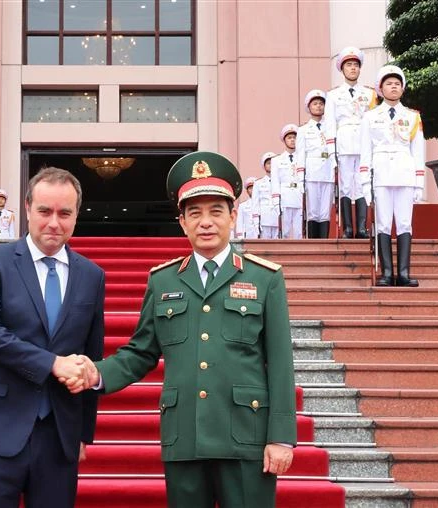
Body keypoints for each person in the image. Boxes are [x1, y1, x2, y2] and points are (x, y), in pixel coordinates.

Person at [67, 151, 297, 508]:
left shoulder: (264, 278)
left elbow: (280, 363)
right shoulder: (163, 281)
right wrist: (96, 373)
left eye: (216, 211)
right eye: (195, 213)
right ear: (182, 222)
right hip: (184, 436)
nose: (206, 222)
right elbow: (141, 352)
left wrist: (281, 437)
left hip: (247, 439)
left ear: (233, 216)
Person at [0, 167, 105, 508]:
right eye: (45, 211)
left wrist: (82, 434)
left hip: (59, 435)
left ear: (76, 215)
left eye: (65, 213)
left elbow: (90, 357)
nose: (54, 223)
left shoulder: (91, 276)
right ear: (27, 208)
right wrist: (51, 364)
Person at [359, 65, 424, 287]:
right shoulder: (370, 117)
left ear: (402, 89)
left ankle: (404, 273)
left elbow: (418, 152)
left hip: (405, 175)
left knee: (405, 224)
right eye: (389, 83)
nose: (393, 87)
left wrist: (419, 184)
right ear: (380, 89)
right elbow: (365, 152)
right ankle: (387, 272)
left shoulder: (413, 117)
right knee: (383, 224)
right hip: (380, 175)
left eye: (397, 84)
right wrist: (365, 184)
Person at [324, 46, 378, 239]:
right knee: (346, 186)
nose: (353, 68)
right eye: (349, 65)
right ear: (342, 69)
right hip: (344, 143)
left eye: (356, 65)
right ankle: (348, 228)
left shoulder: (370, 94)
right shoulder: (333, 95)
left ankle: (362, 227)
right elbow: (330, 124)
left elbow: (374, 122)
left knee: (363, 184)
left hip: (364, 143)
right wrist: (332, 152)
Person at [295, 89, 335, 238]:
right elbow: (300, 154)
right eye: (315, 104)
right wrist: (300, 177)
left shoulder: (331, 127)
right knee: (312, 211)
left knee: (325, 210)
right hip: (311, 172)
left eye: (321, 104)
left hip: (328, 170)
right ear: (309, 107)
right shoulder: (303, 130)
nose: (318, 106)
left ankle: (324, 241)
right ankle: (313, 240)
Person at [271, 124, 304, 239]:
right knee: (285, 231)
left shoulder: (302, 157)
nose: (292, 140)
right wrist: (276, 200)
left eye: (294, 137)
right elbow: (275, 181)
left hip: (298, 195)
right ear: (284, 140)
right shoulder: (277, 160)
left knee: (299, 231)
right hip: (285, 197)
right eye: (289, 138)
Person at [251, 152, 279, 240]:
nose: (271, 165)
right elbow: (255, 203)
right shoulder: (258, 183)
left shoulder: (281, 181)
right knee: (265, 244)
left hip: (278, 217)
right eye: (268, 163)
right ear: (264, 166)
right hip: (264, 218)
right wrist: (256, 221)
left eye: (273, 163)